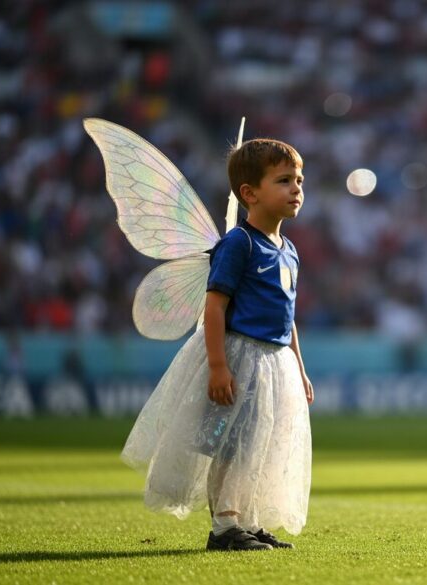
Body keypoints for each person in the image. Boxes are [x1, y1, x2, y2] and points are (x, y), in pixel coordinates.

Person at [120, 138, 314, 552]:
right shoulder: (240, 243)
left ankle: (248, 520)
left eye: (299, 180)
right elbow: (214, 306)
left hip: (275, 361)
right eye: (283, 180)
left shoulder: (289, 251)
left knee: (258, 444)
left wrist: (299, 369)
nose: (296, 188)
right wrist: (218, 365)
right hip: (242, 356)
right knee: (231, 445)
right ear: (249, 193)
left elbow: (287, 316)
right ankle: (224, 526)